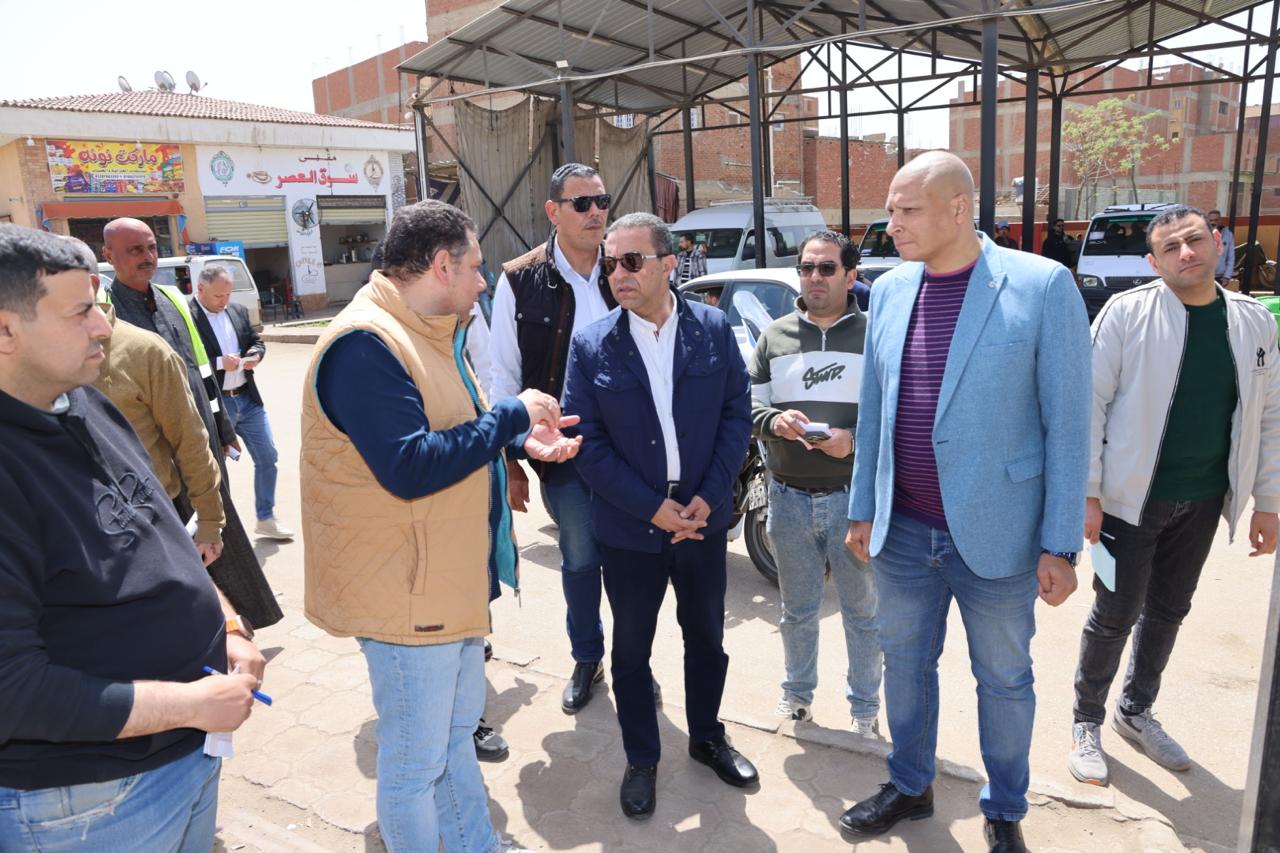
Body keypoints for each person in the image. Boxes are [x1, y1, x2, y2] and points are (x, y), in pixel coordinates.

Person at [301, 200, 578, 853]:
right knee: (413, 767)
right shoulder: (367, 344)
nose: (484, 282)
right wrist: (510, 416)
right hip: (404, 596)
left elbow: (456, 431)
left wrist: (518, 439)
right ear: (441, 264)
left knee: (453, 742)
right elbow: (409, 465)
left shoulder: (428, 331)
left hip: (444, 582)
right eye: (476, 268)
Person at [842, 151, 1091, 853]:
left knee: (1004, 680)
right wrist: (863, 507)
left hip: (1000, 534)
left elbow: (1069, 425)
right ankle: (910, 784)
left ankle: (1005, 807)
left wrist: (1061, 544)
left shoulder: (1041, 286)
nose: (892, 225)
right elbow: (874, 409)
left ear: (958, 209)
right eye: (890, 211)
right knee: (904, 664)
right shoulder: (890, 290)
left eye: (907, 210)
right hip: (902, 531)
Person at [0, 223, 265, 849]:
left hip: (184, 757)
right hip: (87, 803)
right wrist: (190, 705)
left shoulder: (86, 403)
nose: (103, 326)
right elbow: (13, 691)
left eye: (99, 304)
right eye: (81, 312)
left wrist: (227, 623)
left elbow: (162, 538)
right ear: (6, 331)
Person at [1067, 205, 1280, 786]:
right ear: (1153, 261)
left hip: (1205, 499)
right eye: (1171, 247)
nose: (1186, 253)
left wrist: (1267, 501)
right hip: (1127, 501)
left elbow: (1269, 417)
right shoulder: (1127, 313)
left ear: (1217, 243)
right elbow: (1089, 405)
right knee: (1115, 613)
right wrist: (1088, 492)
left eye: (1195, 240)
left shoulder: (1253, 322)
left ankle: (1135, 711)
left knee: (1169, 610)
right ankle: (1086, 721)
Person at [563, 212, 756, 820]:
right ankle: (642, 758)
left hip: (701, 519)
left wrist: (710, 496)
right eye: (610, 263)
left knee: (707, 639)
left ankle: (706, 738)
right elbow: (586, 444)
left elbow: (736, 415)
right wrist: (653, 509)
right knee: (630, 652)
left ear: (669, 264)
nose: (617, 273)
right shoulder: (591, 344)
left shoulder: (712, 328)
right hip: (630, 528)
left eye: (631, 261)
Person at [490, 162, 623, 714]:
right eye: (581, 203)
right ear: (553, 211)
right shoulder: (520, 279)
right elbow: (503, 375)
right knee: (580, 557)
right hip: (563, 449)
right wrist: (510, 458)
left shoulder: (625, 264)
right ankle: (588, 657)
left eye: (601, 201)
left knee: (634, 560)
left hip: (631, 446)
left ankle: (633, 662)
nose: (596, 213)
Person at [103, 218, 282, 630]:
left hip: (200, 439)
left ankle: (242, 623)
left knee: (220, 530)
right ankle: (208, 629)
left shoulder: (172, 298)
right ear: (108, 256)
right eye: (134, 250)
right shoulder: (107, 312)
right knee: (181, 545)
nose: (147, 257)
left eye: (151, 247)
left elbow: (202, 369)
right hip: (156, 454)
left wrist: (223, 429)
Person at [749, 229, 882, 734]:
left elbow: (895, 418)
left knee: (862, 613)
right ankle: (797, 696)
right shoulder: (774, 336)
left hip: (854, 501)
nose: (814, 277)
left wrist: (854, 441)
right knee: (796, 610)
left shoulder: (875, 335)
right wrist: (775, 422)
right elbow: (749, 405)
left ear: (850, 275)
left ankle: (865, 708)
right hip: (787, 498)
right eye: (806, 267)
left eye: (827, 268)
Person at [59, 237, 227, 564]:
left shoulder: (144, 350)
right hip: (69, 536)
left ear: (89, 286)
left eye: (150, 248)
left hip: (148, 524)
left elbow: (190, 439)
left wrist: (209, 522)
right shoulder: (27, 360)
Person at [191, 266, 293, 540]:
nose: (224, 301)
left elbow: (256, 341)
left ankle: (266, 517)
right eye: (218, 296)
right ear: (200, 289)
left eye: (227, 294)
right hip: (216, 405)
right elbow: (184, 359)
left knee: (268, 456)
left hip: (247, 399)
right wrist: (218, 363)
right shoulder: (188, 317)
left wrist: (255, 354)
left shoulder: (236, 311)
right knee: (215, 468)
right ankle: (219, 527)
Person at [1207, 209, 1236, 285]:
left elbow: (1231, 257)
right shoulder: (1203, 234)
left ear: (1220, 221)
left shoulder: (1228, 235)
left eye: (1216, 220)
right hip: (1205, 276)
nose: (1213, 222)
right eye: (1211, 220)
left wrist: (1227, 276)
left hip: (1220, 277)